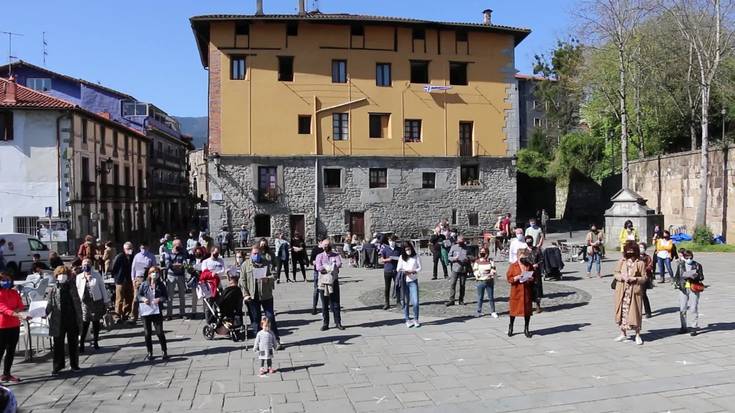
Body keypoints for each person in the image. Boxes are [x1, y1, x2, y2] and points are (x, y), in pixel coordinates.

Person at [46, 266, 83, 373]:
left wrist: (80, 317)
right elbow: (50, 304)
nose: (62, 277)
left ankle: (74, 364)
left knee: (73, 343)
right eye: (59, 275)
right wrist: (44, 312)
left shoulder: (72, 287)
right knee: (58, 344)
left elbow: (77, 303)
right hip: (58, 320)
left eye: (64, 274)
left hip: (71, 318)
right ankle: (58, 365)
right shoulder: (53, 289)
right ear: (56, 276)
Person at [613, 241, 647, 345]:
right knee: (622, 312)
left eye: (632, 252)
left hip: (634, 291)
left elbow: (644, 278)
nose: (630, 254)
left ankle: (637, 334)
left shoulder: (640, 263)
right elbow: (615, 273)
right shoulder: (622, 261)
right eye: (628, 252)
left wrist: (635, 278)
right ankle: (623, 333)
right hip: (622, 290)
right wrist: (621, 277)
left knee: (635, 313)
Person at [75, 259, 110, 352]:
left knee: (96, 322)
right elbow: (77, 289)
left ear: (91, 265)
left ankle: (96, 342)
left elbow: (102, 288)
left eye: (88, 264)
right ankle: (81, 344)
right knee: (85, 323)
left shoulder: (96, 275)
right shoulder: (79, 277)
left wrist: (106, 301)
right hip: (85, 303)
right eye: (84, 264)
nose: (86, 266)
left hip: (96, 301)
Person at [0, 272, 28, 383]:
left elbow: (21, 306)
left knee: (11, 351)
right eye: (3, 279)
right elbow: (3, 309)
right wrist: (16, 313)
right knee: (0, 352)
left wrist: (16, 313)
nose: (6, 281)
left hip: (14, 325)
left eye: (8, 279)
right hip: (2, 327)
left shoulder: (14, 292)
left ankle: (7, 374)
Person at [138, 266, 169, 361]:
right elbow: (139, 295)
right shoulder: (144, 284)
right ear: (149, 274)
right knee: (147, 333)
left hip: (156, 311)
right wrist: (143, 299)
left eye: (156, 272)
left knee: (159, 332)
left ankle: (164, 351)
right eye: (152, 272)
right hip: (146, 311)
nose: (154, 274)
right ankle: (149, 352)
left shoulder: (161, 285)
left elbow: (165, 296)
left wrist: (159, 299)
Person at [673, 249, 704, 336]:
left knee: (693, 308)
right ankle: (683, 326)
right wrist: (677, 283)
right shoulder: (681, 265)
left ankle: (694, 327)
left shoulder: (697, 265)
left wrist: (695, 276)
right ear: (684, 257)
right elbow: (677, 276)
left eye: (690, 257)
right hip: (683, 288)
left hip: (694, 287)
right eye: (687, 257)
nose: (689, 259)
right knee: (682, 308)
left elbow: (702, 277)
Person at [315, 240, 344, 331]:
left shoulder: (335, 255)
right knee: (324, 304)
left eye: (328, 245)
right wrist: (328, 267)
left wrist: (331, 266)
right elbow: (318, 267)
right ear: (322, 246)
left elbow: (339, 264)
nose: (326, 247)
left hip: (333, 281)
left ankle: (338, 322)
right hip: (323, 283)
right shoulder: (319, 256)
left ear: (330, 246)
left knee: (336, 303)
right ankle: (325, 323)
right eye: (325, 245)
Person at [506, 249, 535, 338]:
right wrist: (517, 277)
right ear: (518, 256)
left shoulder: (528, 265)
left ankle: (526, 328)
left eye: (525, 257)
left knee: (527, 311)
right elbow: (509, 278)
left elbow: (533, 276)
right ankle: (511, 326)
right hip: (516, 291)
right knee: (513, 311)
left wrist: (531, 278)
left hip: (526, 291)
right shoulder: (513, 266)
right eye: (522, 257)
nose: (524, 259)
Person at [396, 241, 422, 328]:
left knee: (415, 302)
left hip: (413, 280)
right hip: (404, 281)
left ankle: (416, 319)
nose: (408, 251)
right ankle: (407, 319)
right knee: (405, 301)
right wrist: (405, 271)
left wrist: (413, 271)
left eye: (409, 249)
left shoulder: (416, 256)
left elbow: (420, 267)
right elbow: (398, 269)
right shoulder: (401, 257)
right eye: (406, 249)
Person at [165, 241, 191, 320]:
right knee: (170, 296)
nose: (181, 246)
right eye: (179, 245)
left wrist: (182, 265)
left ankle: (182, 313)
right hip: (171, 277)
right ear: (174, 246)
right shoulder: (168, 253)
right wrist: (175, 265)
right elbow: (167, 264)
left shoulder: (182, 253)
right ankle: (169, 314)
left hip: (181, 276)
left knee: (182, 296)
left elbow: (185, 264)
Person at [131, 242, 157, 323]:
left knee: (147, 297)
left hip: (147, 279)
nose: (143, 250)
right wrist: (133, 279)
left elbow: (154, 268)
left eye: (145, 248)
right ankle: (133, 316)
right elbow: (133, 268)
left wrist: (154, 279)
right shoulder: (137, 256)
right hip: (138, 279)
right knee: (136, 298)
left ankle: (146, 314)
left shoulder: (151, 256)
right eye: (142, 248)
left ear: (148, 248)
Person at [110, 242, 134, 324]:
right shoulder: (120, 256)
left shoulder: (132, 257)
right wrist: (116, 277)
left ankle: (125, 314)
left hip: (129, 280)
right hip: (120, 280)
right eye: (128, 249)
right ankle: (117, 316)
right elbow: (114, 268)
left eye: (131, 248)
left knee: (129, 298)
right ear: (124, 249)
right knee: (119, 298)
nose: (130, 250)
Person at [473, 246, 498, 318]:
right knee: (480, 297)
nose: (483, 253)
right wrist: (479, 274)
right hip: (480, 281)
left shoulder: (490, 261)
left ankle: (493, 311)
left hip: (489, 281)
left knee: (491, 297)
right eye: (481, 252)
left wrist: (491, 273)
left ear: (487, 253)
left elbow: (493, 269)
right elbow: (475, 270)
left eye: (484, 252)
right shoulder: (477, 261)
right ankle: (479, 311)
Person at [446, 235, 471, 307]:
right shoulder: (454, 247)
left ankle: (461, 300)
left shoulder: (467, 248)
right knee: (452, 284)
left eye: (462, 242)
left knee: (462, 285)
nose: (461, 243)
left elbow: (471, 256)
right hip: (455, 268)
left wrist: (468, 258)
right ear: (457, 241)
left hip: (463, 268)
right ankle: (451, 300)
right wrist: (454, 259)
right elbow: (449, 257)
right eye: (459, 242)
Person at [380, 236, 401, 310]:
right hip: (387, 270)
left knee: (398, 286)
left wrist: (398, 259)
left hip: (396, 270)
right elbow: (381, 260)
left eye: (393, 240)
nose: (391, 242)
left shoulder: (399, 249)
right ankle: (387, 303)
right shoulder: (385, 249)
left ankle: (398, 302)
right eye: (390, 240)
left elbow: (402, 258)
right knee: (387, 287)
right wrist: (388, 259)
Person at [524, 236, 544, 314]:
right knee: (528, 288)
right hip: (527, 271)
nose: (529, 242)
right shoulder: (524, 251)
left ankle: (538, 306)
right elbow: (522, 259)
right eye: (527, 241)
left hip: (536, 272)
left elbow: (541, 259)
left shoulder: (537, 250)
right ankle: (529, 306)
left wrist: (537, 265)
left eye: (530, 241)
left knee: (537, 288)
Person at [638, 242, 654, 319]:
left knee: (643, 294)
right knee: (636, 295)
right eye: (640, 247)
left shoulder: (648, 257)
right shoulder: (636, 257)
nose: (641, 249)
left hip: (645, 277)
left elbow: (651, 266)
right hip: (636, 278)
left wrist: (644, 268)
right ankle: (637, 311)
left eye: (642, 247)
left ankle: (648, 312)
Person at [309, 242, 325, 314]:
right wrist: (314, 262)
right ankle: (314, 307)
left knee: (327, 289)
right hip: (317, 271)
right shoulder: (315, 249)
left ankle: (326, 306)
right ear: (319, 242)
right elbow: (311, 261)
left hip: (326, 272)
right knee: (316, 289)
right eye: (322, 242)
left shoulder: (326, 249)